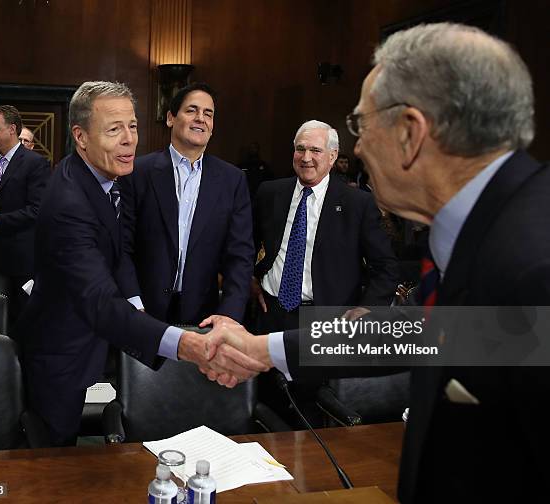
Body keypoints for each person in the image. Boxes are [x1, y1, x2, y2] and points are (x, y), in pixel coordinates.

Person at [208, 23, 549, 503]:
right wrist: (266, 350)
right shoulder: (487, 226)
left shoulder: (534, 261)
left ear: (411, 132)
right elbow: (426, 333)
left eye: (361, 127)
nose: (359, 149)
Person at [17, 81, 265, 447]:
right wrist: (191, 347)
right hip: (62, 355)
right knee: (56, 467)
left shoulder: (105, 179)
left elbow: (118, 254)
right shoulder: (70, 200)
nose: (129, 139)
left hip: (97, 342)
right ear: (80, 136)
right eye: (114, 129)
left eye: (132, 126)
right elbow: (101, 301)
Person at [120, 83, 254, 326]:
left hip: (204, 317)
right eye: (192, 110)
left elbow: (240, 256)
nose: (201, 119)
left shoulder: (232, 180)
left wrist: (230, 314)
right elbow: (122, 246)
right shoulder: (138, 172)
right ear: (171, 118)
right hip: (142, 312)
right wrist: (132, 302)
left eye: (208, 114)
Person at [252, 120, 398, 334]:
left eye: (315, 150)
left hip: (326, 323)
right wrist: (249, 279)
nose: (306, 157)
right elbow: (245, 242)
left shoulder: (357, 204)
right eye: (300, 149)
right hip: (269, 314)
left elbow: (386, 266)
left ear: (332, 156)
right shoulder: (270, 193)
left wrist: (369, 308)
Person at [0, 105, 50, 321]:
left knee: (19, 320)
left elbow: (37, 210)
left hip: (20, 261)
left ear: (12, 129)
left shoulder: (35, 163)